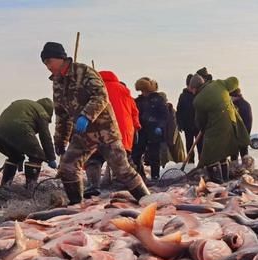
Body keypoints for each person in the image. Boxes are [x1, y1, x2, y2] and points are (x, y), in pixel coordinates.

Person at [41, 42, 149, 204]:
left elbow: (101, 95)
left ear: (60, 58)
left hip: (105, 129)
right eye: (45, 63)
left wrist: (86, 116)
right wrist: (60, 141)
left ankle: (147, 200)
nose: (47, 66)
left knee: (122, 170)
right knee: (67, 168)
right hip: (83, 134)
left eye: (49, 61)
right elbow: (62, 114)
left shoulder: (84, 71)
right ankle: (76, 206)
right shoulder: (58, 82)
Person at [83, 70, 140, 198]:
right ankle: (132, 186)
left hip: (99, 130)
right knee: (122, 159)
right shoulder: (124, 90)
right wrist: (136, 127)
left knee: (94, 158)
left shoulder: (94, 89)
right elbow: (134, 111)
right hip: (122, 130)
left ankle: (93, 185)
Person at [188, 74, 250, 183]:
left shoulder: (198, 100)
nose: (192, 92)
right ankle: (226, 180)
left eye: (191, 89)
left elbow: (200, 121)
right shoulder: (219, 84)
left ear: (194, 87)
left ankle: (217, 182)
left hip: (216, 128)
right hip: (233, 123)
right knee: (223, 153)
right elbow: (234, 80)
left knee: (209, 156)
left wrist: (203, 129)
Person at [0, 98, 57, 189]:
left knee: (15, 157)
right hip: (20, 128)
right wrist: (51, 157)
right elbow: (45, 136)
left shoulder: (27, 106)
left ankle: (5, 185)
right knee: (37, 156)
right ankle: (30, 188)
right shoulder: (42, 112)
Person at [133, 77, 169, 182]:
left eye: (144, 90)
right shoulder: (138, 101)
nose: (143, 93)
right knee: (137, 153)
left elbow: (164, 115)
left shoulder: (158, 100)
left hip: (154, 131)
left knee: (154, 155)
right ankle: (139, 175)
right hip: (141, 131)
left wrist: (160, 126)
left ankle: (155, 176)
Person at [176, 74, 200, 163]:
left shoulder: (198, 95)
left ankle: (201, 164)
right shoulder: (183, 96)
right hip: (188, 126)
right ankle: (190, 163)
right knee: (189, 146)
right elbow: (179, 111)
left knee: (200, 146)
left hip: (198, 126)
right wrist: (180, 124)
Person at [230, 88, 252, 161]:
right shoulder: (246, 104)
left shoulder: (237, 106)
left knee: (235, 157)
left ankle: (236, 170)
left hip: (238, 134)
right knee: (244, 155)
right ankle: (246, 170)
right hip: (243, 135)